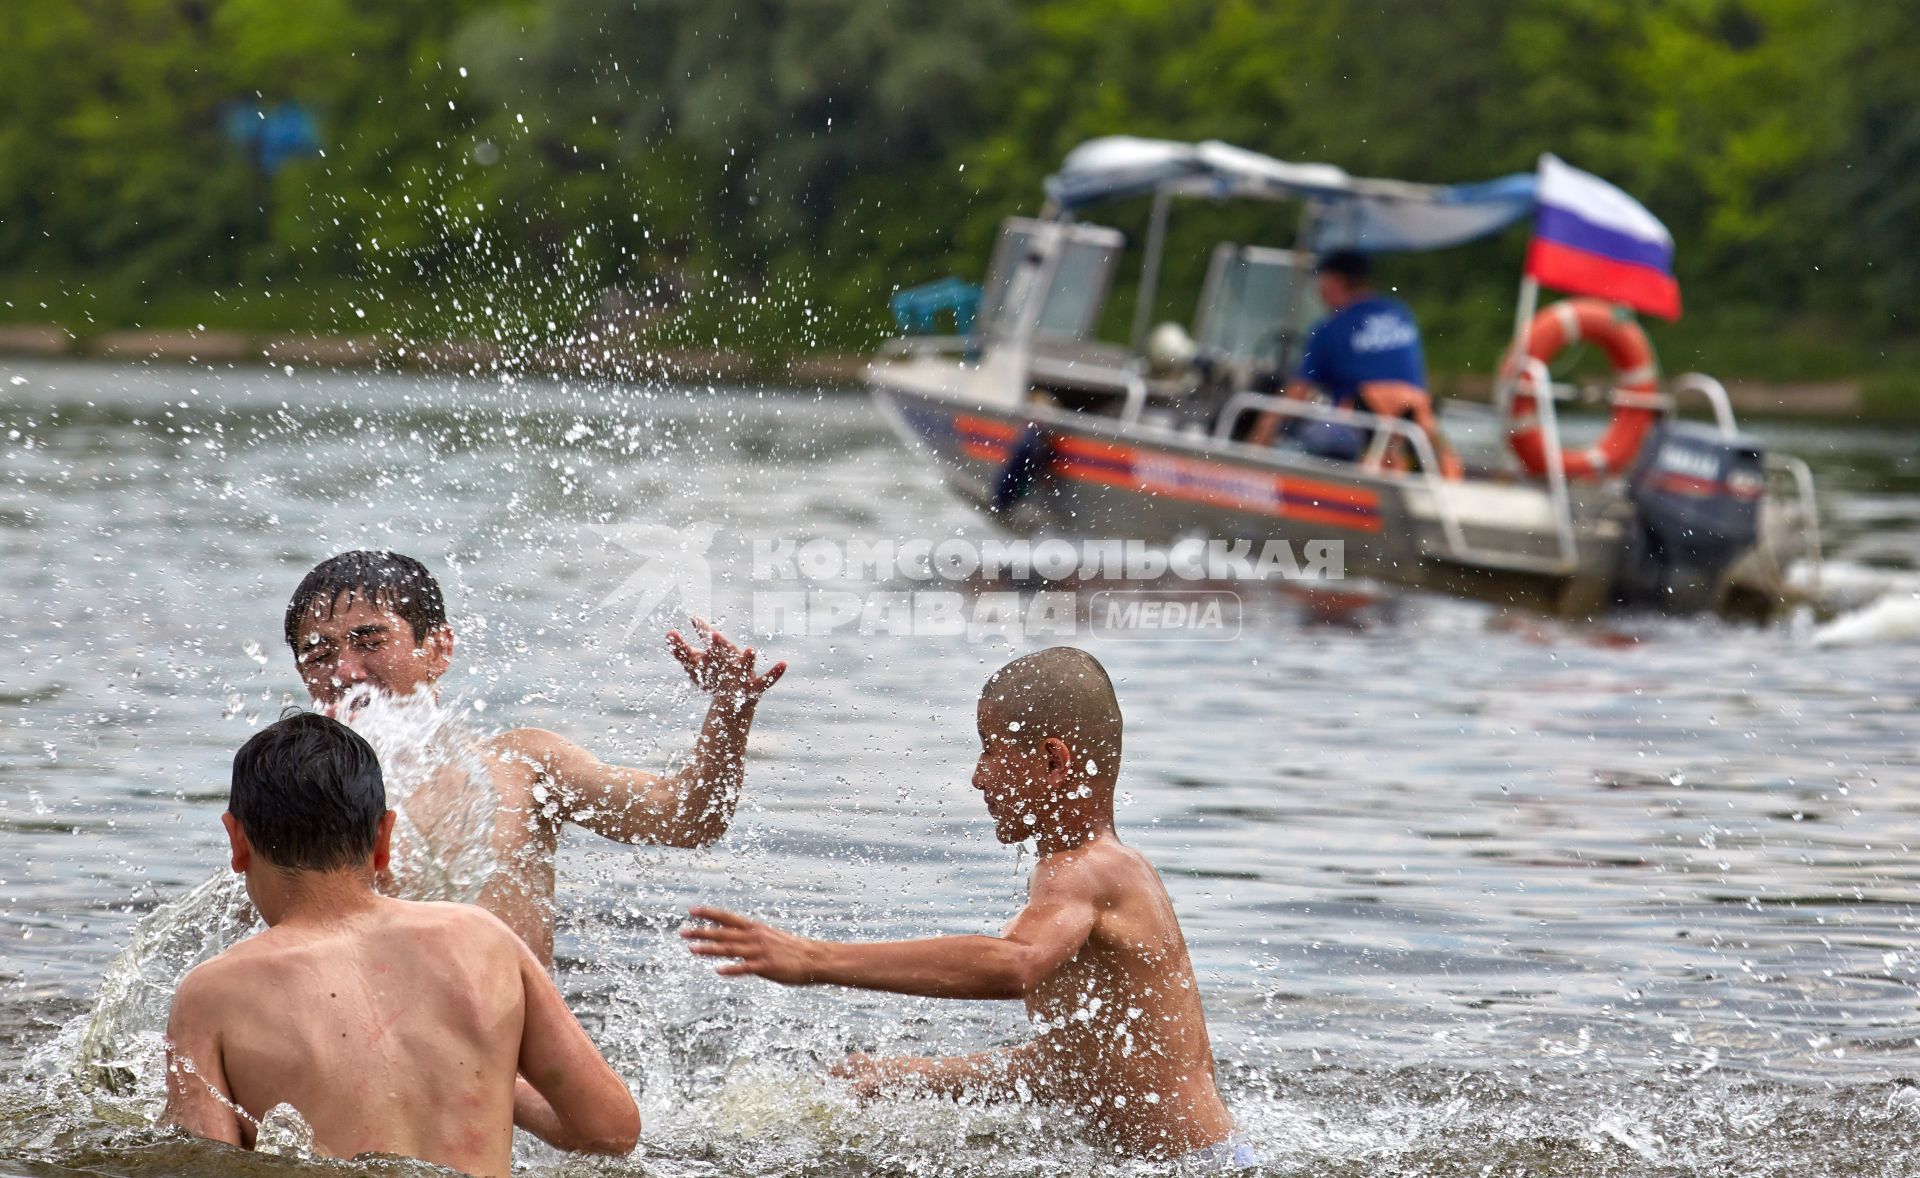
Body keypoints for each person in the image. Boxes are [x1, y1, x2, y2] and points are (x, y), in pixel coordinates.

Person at [681, 647, 1252, 1165]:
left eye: (991, 752)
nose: (978, 778)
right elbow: (1085, 1065)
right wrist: (912, 1076)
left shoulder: (1084, 871)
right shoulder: (1102, 870)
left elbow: (1014, 963)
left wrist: (813, 959)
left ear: (1053, 763)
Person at [161, 713, 640, 1176]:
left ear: (237, 840)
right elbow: (611, 1130)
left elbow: (206, 1164)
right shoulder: (483, 937)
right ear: (384, 837)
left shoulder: (212, 994)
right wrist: (492, 1080)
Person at [285, 550, 786, 963]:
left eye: (369, 641)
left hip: (517, 1060)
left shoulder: (523, 764)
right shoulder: (292, 792)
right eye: (319, 654)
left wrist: (730, 711)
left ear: (439, 648)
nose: (345, 671)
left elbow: (688, 819)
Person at [1250, 249, 1463, 479]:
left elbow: (1297, 394)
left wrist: (1257, 440)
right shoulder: (1400, 313)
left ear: (1335, 281)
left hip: (1361, 431)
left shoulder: (1329, 329)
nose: (1318, 290)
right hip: (1411, 428)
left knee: (1297, 433)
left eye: (1321, 280)